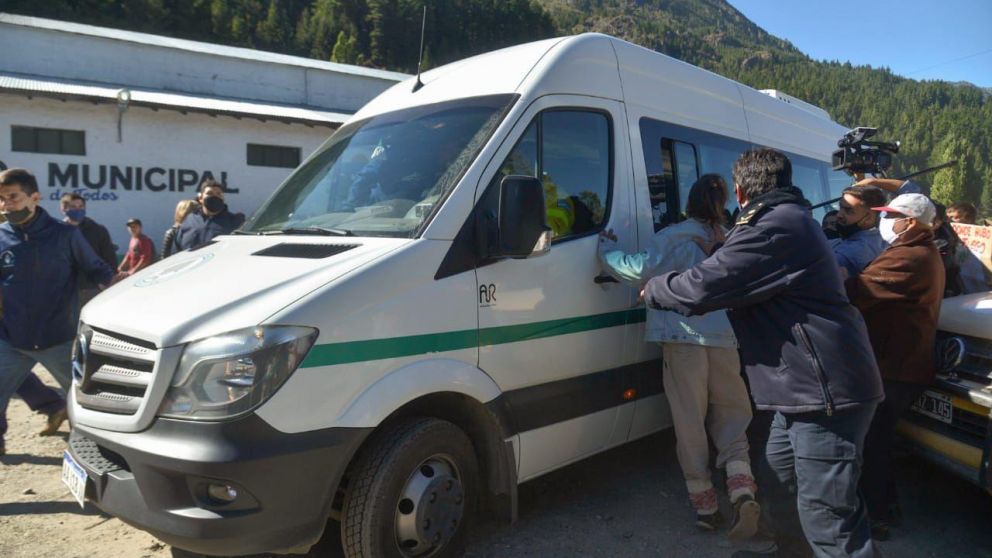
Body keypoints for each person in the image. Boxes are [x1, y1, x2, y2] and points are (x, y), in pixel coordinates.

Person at [641, 149, 884, 558]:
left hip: (824, 394)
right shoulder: (783, 221)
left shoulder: (773, 227)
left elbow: (707, 284)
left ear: (739, 190)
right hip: (800, 391)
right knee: (779, 482)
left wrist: (657, 288)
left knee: (829, 520)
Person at [599, 174, 760, 539]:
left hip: (682, 339)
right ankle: (742, 491)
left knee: (690, 424)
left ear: (690, 201)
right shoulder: (732, 239)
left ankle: (706, 509)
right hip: (724, 338)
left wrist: (605, 249)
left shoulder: (674, 235)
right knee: (733, 418)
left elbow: (635, 268)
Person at [847, 194, 944, 540]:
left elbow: (858, 290)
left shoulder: (910, 256)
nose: (885, 221)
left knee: (873, 442)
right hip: (899, 362)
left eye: (892, 215)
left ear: (912, 222)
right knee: (880, 440)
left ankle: (874, 517)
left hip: (896, 365)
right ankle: (885, 508)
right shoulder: (917, 251)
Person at [0, 168, 114, 456]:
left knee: (86, 402)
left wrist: (118, 289)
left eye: (13, 197)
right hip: (12, 341)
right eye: (1, 199)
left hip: (59, 340)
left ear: (35, 197)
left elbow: (98, 269)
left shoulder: (65, 235)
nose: (6, 205)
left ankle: (100, 454)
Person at [832, 185, 889, 278]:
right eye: (840, 208)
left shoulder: (849, 253)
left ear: (869, 218)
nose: (839, 215)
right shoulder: (884, 239)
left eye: (848, 210)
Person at [175, 180, 245, 251]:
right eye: (210, 193)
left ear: (223, 198)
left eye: (219, 194)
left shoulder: (234, 222)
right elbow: (178, 247)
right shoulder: (189, 220)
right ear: (200, 198)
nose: (215, 196)